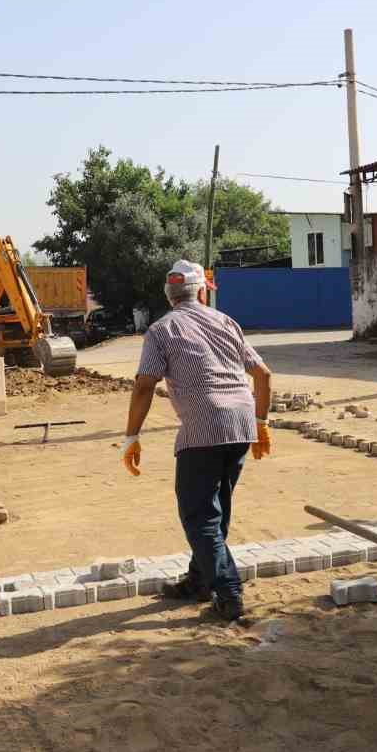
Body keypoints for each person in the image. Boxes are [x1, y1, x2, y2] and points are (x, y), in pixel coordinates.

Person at [121, 260, 272, 622]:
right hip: (240, 423)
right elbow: (263, 375)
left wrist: (131, 437)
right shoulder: (226, 321)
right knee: (216, 507)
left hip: (204, 427)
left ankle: (228, 592)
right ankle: (199, 580)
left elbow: (145, 384)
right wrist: (262, 423)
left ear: (169, 295)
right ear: (202, 291)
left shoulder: (161, 330)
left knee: (199, 516)